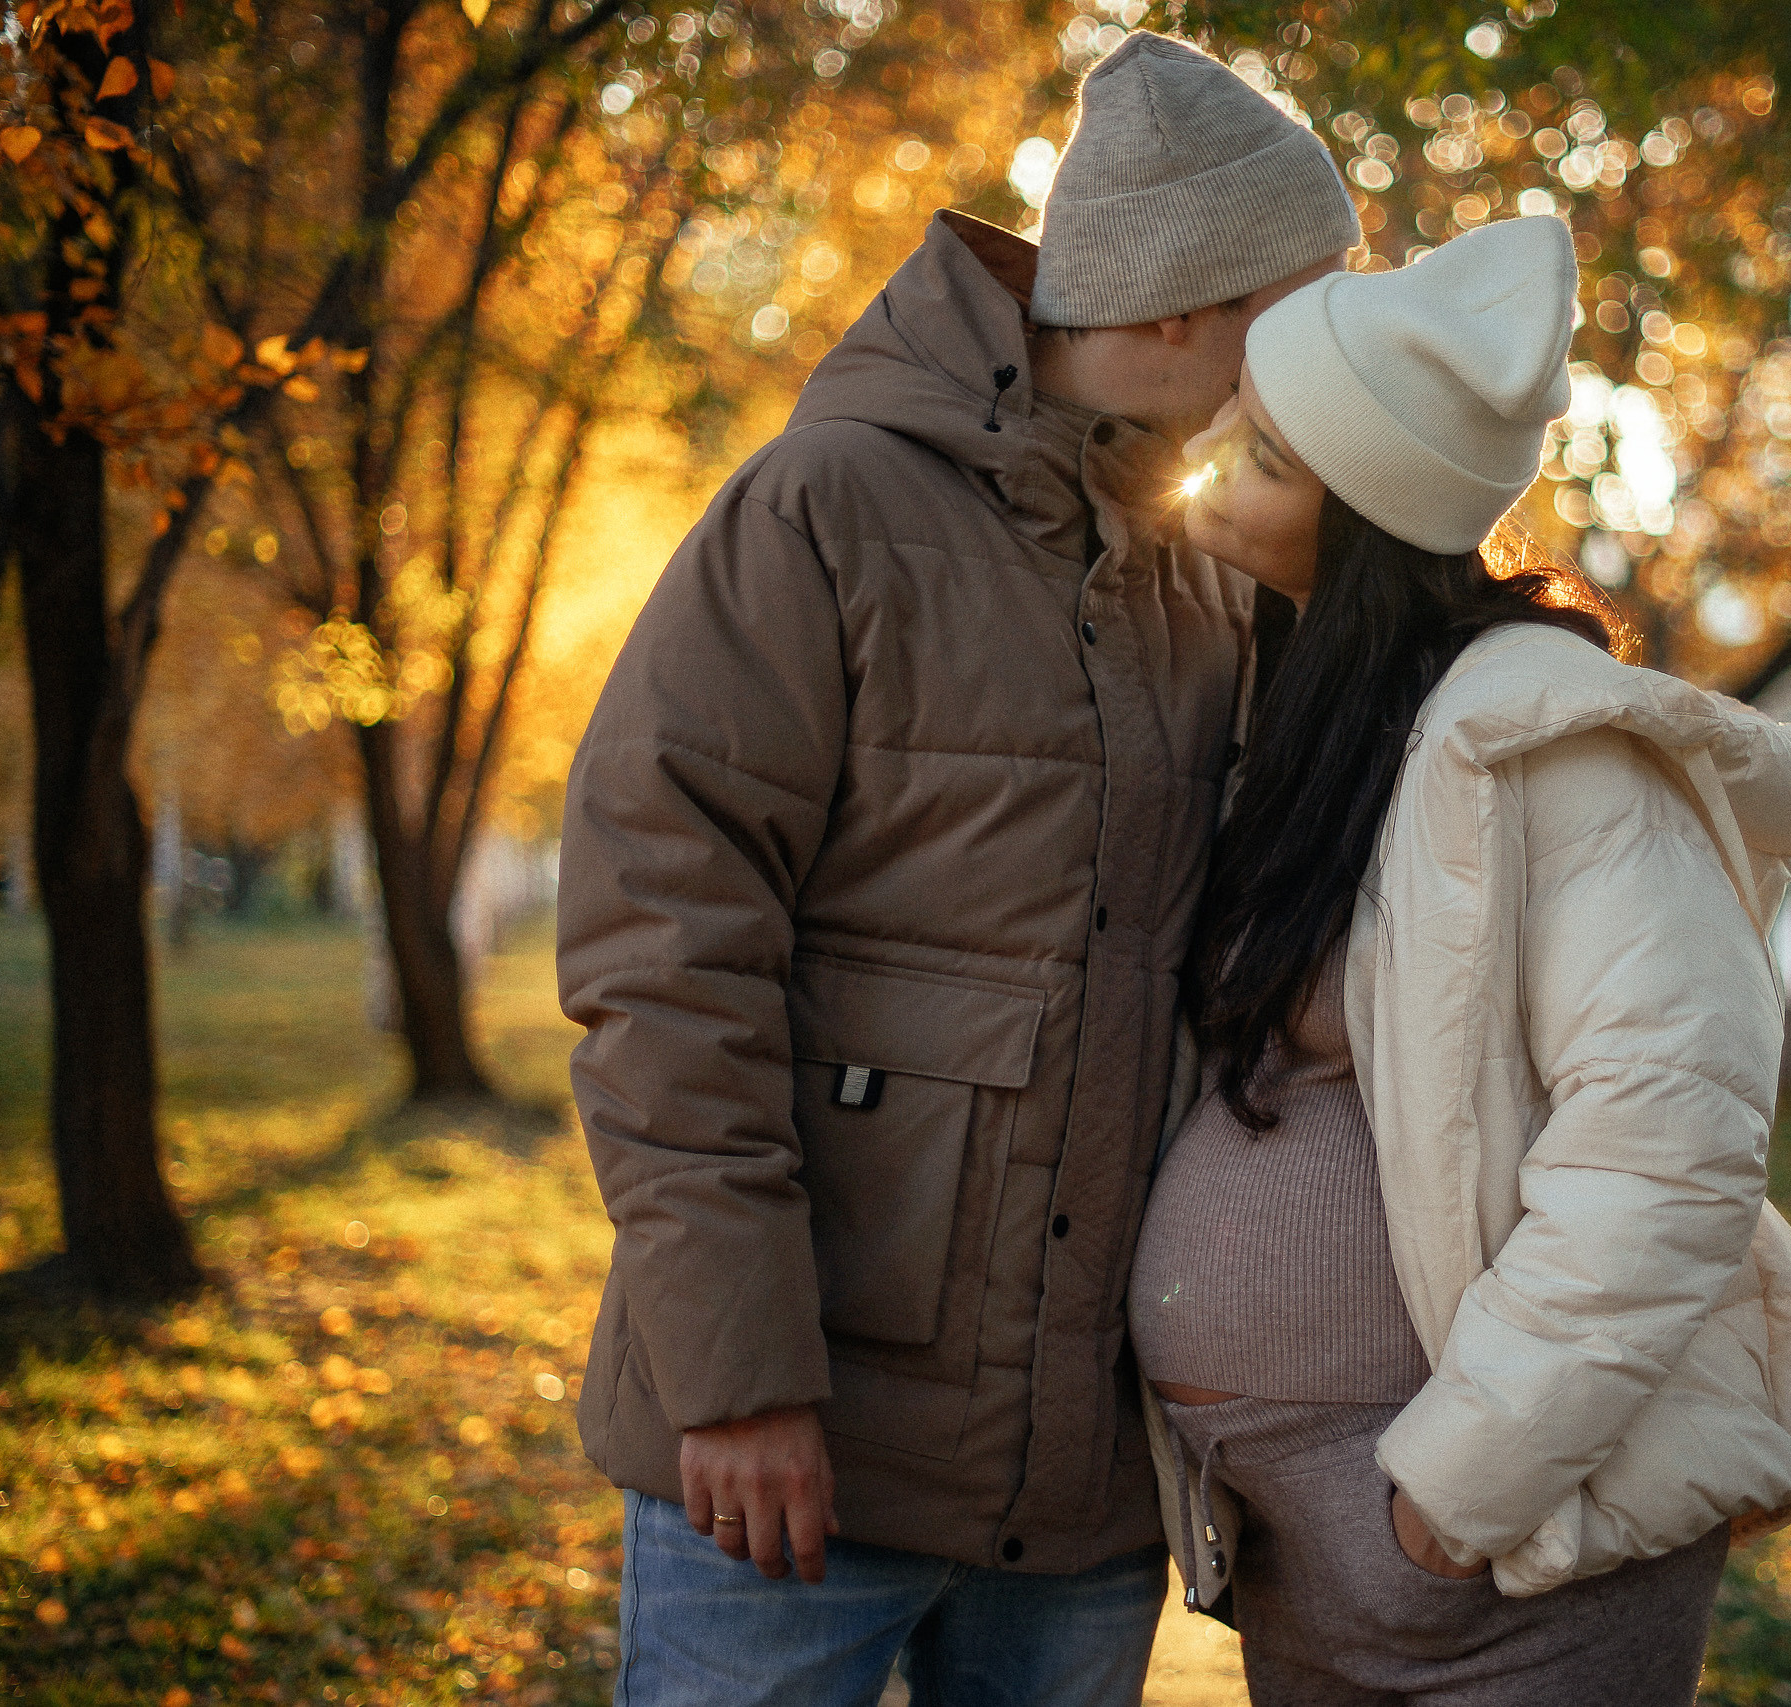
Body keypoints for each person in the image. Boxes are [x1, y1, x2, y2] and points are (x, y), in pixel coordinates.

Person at [555, 32, 1359, 1707]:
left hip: (1075, 1504)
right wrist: (737, 1380)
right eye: (1298, 310)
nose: (1321, 355)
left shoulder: (1207, 578)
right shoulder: (820, 514)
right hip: (791, 1469)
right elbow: (661, 951)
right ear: (1174, 313)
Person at [1130, 215, 1791, 1705]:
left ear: (1365, 526)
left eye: (1262, 455)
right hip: (1313, 1547)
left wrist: (1449, 1499)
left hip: (1514, 1560)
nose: (1211, 462)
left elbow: (1670, 1144)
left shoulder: (1558, 748)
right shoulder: (1307, 717)